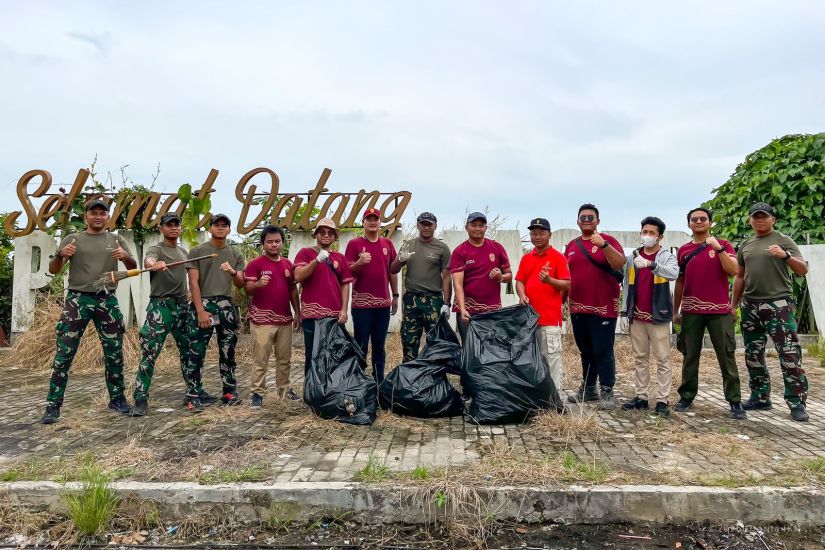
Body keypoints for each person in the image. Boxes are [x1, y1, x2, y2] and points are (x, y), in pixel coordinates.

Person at [41, 199, 137, 424]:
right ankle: (53, 406)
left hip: (107, 300)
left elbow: (133, 268)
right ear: (86, 217)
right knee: (64, 353)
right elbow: (53, 270)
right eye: (93, 213)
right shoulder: (73, 239)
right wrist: (61, 255)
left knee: (113, 352)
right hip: (77, 300)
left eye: (102, 213)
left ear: (107, 217)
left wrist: (125, 257)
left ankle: (117, 399)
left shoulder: (115, 239)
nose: (97, 217)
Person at [732, 203, 810, 422]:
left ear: (772, 219)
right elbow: (740, 276)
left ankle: (796, 402)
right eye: (755, 217)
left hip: (779, 305)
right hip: (751, 305)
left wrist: (785, 256)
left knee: (789, 353)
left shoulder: (784, 240)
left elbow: (802, 270)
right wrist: (733, 304)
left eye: (763, 217)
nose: (759, 220)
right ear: (750, 220)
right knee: (752, 353)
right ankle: (760, 396)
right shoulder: (746, 244)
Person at [672, 208, 746, 420]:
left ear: (710, 223)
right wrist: (676, 310)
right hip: (691, 310)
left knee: (726, 355)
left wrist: (719, 249)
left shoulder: (724, 245)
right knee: (690, 355)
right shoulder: (684, 250)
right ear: (688, 225)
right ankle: (686, 395)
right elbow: (680, 281)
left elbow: (733, 271)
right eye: (694, 219)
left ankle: (734, 400)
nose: (698, 222)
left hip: (719, 311)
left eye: (703, 219)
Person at [564, 203, 625, 410]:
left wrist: (604, 246)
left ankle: (607, 389)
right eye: (583, 217)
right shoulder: (572, 246)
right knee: (585, 350)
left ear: (598, 221)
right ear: (577, 221)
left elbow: (619, 264)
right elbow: (565, 276)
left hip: (603, 306)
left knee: (603, 349)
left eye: (591, 217)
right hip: (578, 306)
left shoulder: (609, 240)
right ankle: (589, 388)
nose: (587, 221)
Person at [130, 213, 192, 417]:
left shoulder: (183, 251)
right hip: (160, 307)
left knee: (188, 351)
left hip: (181, 306)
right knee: (149, 353)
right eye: (169, 225)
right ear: (161, 228)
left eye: (177, 224)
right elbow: (149, 260)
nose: (174, 228)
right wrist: (154, 264)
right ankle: (140, 398)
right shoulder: (156, 249)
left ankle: (192, 393)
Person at [620, 217, 679, 416]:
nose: (647, 235)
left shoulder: (666, 256)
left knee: (663, 358)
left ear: (660, 236)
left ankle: (662, 400)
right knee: (640, 358)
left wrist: (651, 265)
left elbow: (673, 273)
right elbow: (625, 283)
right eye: (645, 231)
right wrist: (624, 310)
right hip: (636, 316)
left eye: (652, 233)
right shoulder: (633, 256)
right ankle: (641, 397)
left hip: (658, 315)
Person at [186, 213, 245, 411]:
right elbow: (193, 282)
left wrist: (232, 272)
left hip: (226, 306)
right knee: (196, 350)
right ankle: (193, 394)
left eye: (224, 225)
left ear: (229, 229)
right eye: (216, 225)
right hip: (204, 304)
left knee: (227, 350)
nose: (220, 228)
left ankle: (229, 390)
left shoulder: (235, 254)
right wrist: (200, 310)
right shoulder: (198, 251)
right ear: (210, 228)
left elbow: (241, 282)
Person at [244, 225, 301, 408]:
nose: (274, 245)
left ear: (283, 243)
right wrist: (259, 284)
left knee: (284, 359)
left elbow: (293, 290)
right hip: (262, 321)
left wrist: (297, 313)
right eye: (270, 242)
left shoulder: (287, 264)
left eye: (277, 241)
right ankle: (257, 393)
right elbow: (247, 289)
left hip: (284, 319)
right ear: (263, 244)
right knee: (261, 359)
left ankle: (284, 389)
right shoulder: (255, 264)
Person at [515, 218, 570, 401]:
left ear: (549, 235)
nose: (537, 236)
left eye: (541, 233)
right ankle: (537, 398)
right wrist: (522, 295)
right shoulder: (526, 258)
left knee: (552, 360)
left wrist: (549, 281)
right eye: (534, 233)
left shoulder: (558, 258)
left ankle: (555, 400)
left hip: (549, 320)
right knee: (532, 360)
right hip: (529, 321)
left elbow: (566, 284)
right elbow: (520, 281)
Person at [294, 218, 353, 376]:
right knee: (311, 354)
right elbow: (298, 276)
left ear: (335, 237)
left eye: (330, 233)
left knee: (333, 354)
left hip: (334, 315)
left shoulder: (340, 258)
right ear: (316, 234)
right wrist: (316, 260)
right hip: (311, 314)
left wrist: (344, 310)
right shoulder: (305, 253)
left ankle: (329, 391)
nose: (326, 235)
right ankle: (311, 391)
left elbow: (345, 284)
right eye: (322, 232)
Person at [345, 208, 399, 383]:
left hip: (383, 305)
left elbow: (392, 271)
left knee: (379, 346)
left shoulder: (387, 244)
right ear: (363, 223)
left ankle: (378, 382)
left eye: (375, 219)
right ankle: (358, 383)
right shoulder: (354, 244)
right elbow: (347, 270)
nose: (372, 222)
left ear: (380, 222)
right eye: (369, 219)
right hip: (361, 306)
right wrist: (359, 263)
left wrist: (395, 295)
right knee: (360, 345)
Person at [390, 212, 452, 362]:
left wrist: (447, 303)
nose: (426, 227)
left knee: (435, 341)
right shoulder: (408, 245)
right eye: (423, 224)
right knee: (409, 340)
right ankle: (409, 379)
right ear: (417, 225)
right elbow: (393, 269)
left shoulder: (442, 248)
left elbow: (447, 276)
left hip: (433, 300)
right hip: (412, 299)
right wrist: (400, 259)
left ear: (435, 226)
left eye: (429, 224)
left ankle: (434, 378)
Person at [450, 211, 511, 343]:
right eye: (473, 225)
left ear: (486, 228)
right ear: (466, 227)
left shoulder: (497, 248)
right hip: (468, 310)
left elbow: (509, 275)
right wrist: (462, 309)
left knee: (491, 348)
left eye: (481, 225)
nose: (477, 228)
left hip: (492, 311)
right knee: (469, 347)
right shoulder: (460, 251)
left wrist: (501, 277)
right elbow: (458, 284)